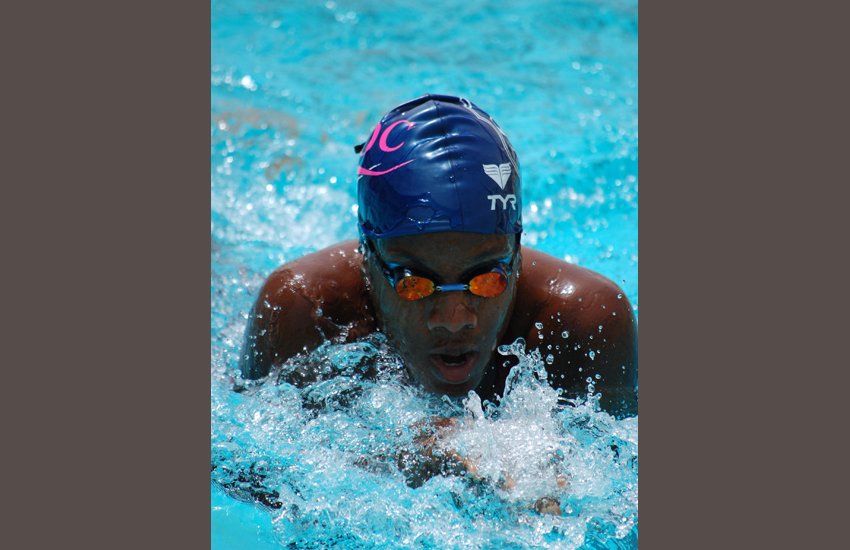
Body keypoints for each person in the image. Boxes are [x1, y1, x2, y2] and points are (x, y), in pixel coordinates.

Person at [239, 94, 637, 418]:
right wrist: (392, 459)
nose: (454, 319)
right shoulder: (305, 310)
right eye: (414, 283)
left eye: (486, 279)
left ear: (516, 255)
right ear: (367, 257)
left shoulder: (584, 323)